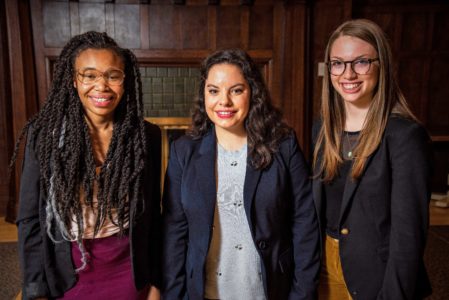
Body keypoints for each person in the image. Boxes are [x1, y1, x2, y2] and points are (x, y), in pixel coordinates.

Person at [11, 31, 162, 300]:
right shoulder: (45, 135)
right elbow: (30, 219)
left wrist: (156, 281)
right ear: (73, 80)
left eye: (112, 75)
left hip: (129, 267)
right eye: (89, 75)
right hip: (68, 269)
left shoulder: (145, 136)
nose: (101, 86)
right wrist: (35, 289)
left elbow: (153, 216)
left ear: (124, 81)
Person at [161, 49, 320, 300]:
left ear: (252, 93)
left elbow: (305, 224)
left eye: (236, 90)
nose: (224, 101)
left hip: (270, 291)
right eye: (214, 91)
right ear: (204, 95)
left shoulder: (283, 145)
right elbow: (174, 234)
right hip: (204, 293)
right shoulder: (184, 151)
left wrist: (301, 294)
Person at [312, 19, 433, 299]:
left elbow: (408, 237)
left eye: (361, 62)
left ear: (382, 65)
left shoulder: (405, 136)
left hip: (376, 275)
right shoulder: (322, 128)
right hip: (324, 269)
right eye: (338, 63)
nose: (348, 73)